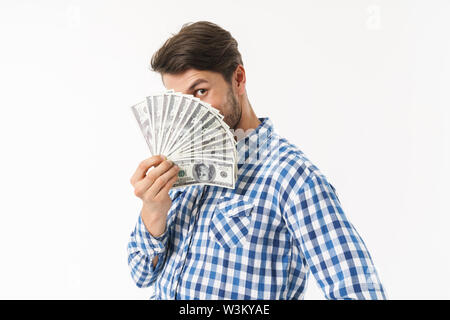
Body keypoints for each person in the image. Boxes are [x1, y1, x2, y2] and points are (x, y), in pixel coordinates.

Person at [127, 21, 387, 299]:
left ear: (238, 79)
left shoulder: (291, 176)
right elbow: (142, 275)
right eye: (180, 101)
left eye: (200, 92)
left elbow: (360, 292)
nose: (190, 114)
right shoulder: (180, 167)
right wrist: (153, 213)